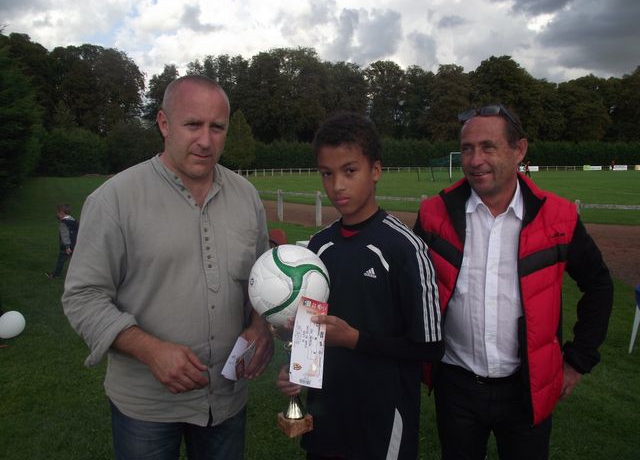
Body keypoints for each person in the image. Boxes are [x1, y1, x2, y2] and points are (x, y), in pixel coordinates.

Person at [61, 75, 274, 460]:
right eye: (193, 124)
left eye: (217, 127)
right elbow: (83, 296)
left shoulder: (246, 197)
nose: (206, 140)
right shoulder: (115, 199)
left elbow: (263, 279)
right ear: (163, 123)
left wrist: (260, 326)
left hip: (226, 400)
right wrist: (148, 349)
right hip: (147, 408)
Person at [414, 104, 613, 460]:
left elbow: (598, 284)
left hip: (526, 389)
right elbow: (412, 288)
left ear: (519, 150)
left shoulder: (559, 217)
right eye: (467, 149)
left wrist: (577, 360)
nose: (475, 160)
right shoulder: (434, 213)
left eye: (488, 147)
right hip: (456, 386)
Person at [276, 112, 443, 459]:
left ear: (375, 170)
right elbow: (312, 329)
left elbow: (430, 347)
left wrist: (354, 339)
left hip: (382, 418)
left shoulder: (405, 248)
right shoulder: (317, 247)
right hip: (326, 417)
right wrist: (296, 369)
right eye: (327, 173)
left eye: (349, 171)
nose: (337, 185)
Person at [45, 203, 79, 279]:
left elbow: (65, 236)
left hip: (66, 247)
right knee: (74, 260)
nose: (57, 214)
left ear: (62, 213)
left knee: (61, 260)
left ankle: (55, 275)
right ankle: (75, 275)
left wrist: (67, 247)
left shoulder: (63, 223)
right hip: (75, 244)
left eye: (57, 213)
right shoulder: (74, 221)